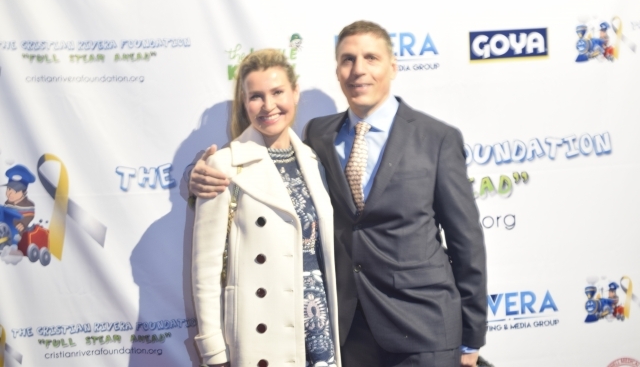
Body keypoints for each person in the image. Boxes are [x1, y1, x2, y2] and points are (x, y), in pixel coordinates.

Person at [190, 21, 487, 367]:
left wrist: (472, 336)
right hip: (347, 332)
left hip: (424, 329)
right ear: (337, 71)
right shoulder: (318, 136)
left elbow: (466, 242)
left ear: (393, 67)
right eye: (348, 59)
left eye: (371, 58)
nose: (358, 69)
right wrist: (197, 178)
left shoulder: (437, 138)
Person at [191, 49, 341, 367]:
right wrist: (213, 350)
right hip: (263, 332)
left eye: (277, 92)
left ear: (295, 93)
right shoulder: (224, 165)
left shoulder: (313, 160)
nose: (268, 105)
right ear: (244, 103)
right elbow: (205, 268)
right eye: (256, 96)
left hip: (318, 325)